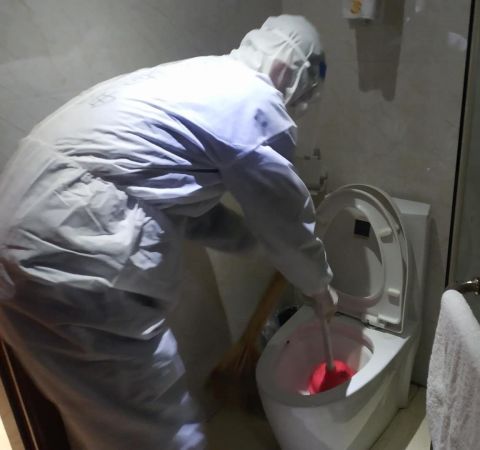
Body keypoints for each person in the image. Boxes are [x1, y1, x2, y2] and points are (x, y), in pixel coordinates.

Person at [0, 15, 336, 450]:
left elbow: (172, 199)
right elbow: (288, 220)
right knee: (152, 429)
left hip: (18, 227)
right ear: (292, 75)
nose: (297, 107)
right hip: (71, 246)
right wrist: (320, 287)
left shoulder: (198, 78)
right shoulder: (255, 104)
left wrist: (251, 241)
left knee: (103, 415)